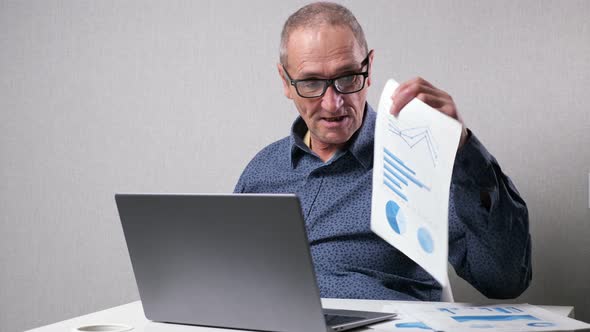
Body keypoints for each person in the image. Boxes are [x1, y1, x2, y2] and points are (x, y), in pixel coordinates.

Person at [234, 2, 531, 301]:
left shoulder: (420, 161)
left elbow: (504, 280)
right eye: (311, 83)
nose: (332, 103)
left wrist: (465, 149)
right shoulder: (261, 172)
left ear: (369, 67)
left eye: (348, 77)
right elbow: (232, 276)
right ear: (286, 82)